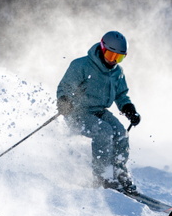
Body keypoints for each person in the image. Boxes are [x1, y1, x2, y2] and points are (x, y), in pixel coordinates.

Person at [56, 30, 141, 193]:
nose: (113, 61)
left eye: (119, 57)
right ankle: (103, 176)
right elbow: (65, 87)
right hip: (77, 112)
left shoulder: (117, 72)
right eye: (110, 55)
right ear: (102, 48)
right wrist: (64, 100)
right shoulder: (81, 65)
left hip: (100, 111)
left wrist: (128, 109)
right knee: (104, 131)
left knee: (121, 133)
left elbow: (121, 94)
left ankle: (119, 173)